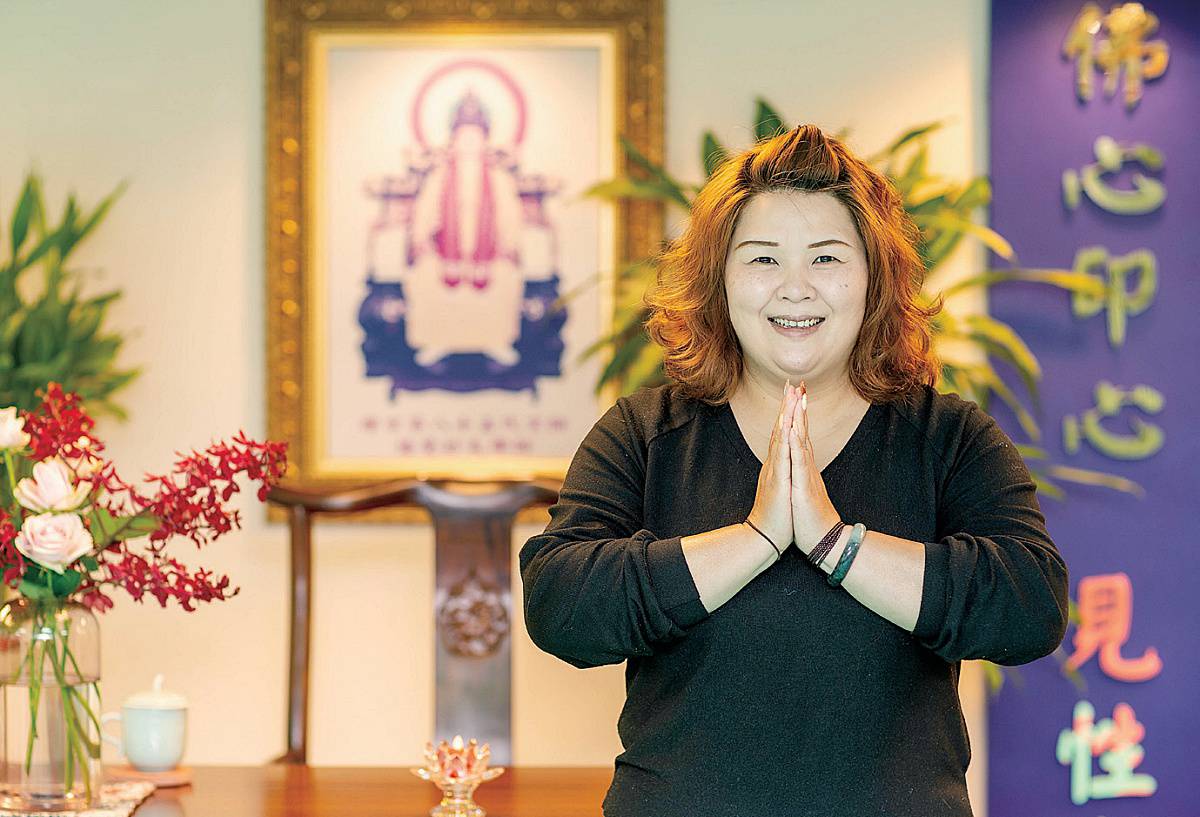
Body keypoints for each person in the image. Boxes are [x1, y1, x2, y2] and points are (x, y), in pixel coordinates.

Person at [519, 124, 1069, 816]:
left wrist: (835, 543)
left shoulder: (948, 438)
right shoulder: (645, 433)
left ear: (873, 279)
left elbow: (1030, 604)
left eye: (827, 257)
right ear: (719, 280)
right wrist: (756, 538)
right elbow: (560, 603)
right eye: (763, 259)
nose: (796, 289)